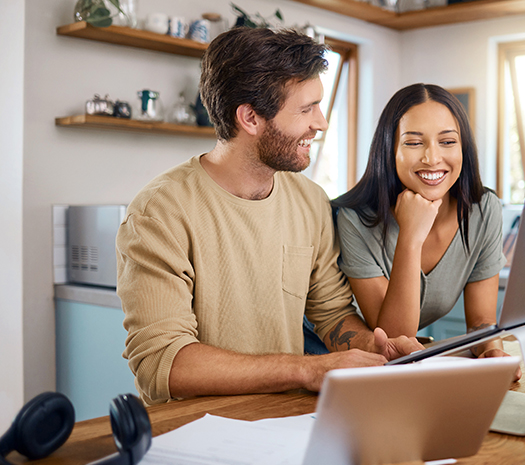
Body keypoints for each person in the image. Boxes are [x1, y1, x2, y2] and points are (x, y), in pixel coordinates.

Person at [115, 27, 422, 406]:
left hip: (285, 420)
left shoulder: (310, 201)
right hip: (193, 432)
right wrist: (306, 369)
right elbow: (164, 365)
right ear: (250, 118)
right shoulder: (159, 213)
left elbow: (331, 314)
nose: (321, 122)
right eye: (306, 109)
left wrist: (376, 351)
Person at [332, 83, 518, 367]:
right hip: (333, 359)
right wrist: (410, 237)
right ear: (390, 149)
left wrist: (491, 350)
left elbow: (482, 321)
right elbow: (394, 339)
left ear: (463, 148)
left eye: (447, 142)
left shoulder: (483, 209)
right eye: (414, 142)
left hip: (392, 369)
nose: (432, 158)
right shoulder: (354, 218)